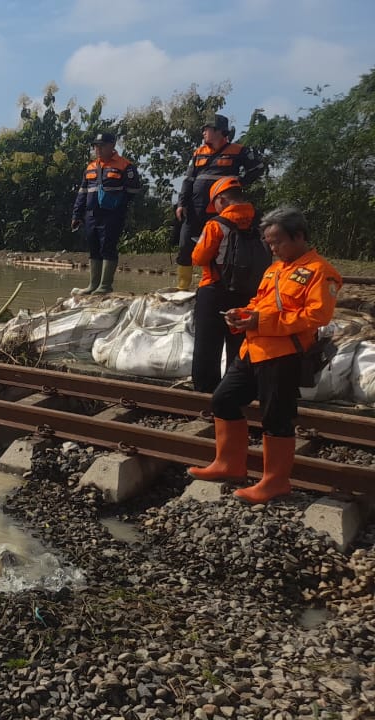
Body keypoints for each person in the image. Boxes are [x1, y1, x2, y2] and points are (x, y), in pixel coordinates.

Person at [188, 207, 341, 504]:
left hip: (284, 355)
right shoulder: (274, 269)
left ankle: (275, 483)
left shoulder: (321, 272)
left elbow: (317, 316)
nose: (273, 248)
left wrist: (261, 321)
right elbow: (260, 302)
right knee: (223, 399)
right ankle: (229, 464)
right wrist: (242, 315)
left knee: (276, 417)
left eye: (277, 242)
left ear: (299, 236)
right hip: (253, 350)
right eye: (269, 243)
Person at [174, 114, 266, 290]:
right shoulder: (198, 153)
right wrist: (181, 204)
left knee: (219, 248)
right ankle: (182, 288)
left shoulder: (239, 151)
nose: (203, 133)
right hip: (195, 207)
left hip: (222, 210)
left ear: (218, 131)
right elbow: (188, 180)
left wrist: (239, 183)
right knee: (185, 245)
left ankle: (214, 284)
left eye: (206, 129)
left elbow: (258, 168)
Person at [188, 177, 259, 392]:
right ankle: (235, 390)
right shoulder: (259, 223)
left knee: (207, 347)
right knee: (239, 345)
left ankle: (205, 391)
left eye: (215, 204)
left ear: (221, 199)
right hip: (249, 292)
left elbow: (198, 258)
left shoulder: (216, 225)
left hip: (214, 290)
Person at [70, 132, 141, 295]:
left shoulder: (125, 165)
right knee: (94, 248)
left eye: (101, 146)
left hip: (112, 215)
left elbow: (133, 190)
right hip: (91, 215)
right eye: (96, 146)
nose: (98, 149)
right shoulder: (90, 167)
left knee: (107, 247)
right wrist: (76, 215)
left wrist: (119, 204)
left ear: (112, 146)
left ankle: (105, 286)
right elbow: (82, 192)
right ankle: (93, 285)